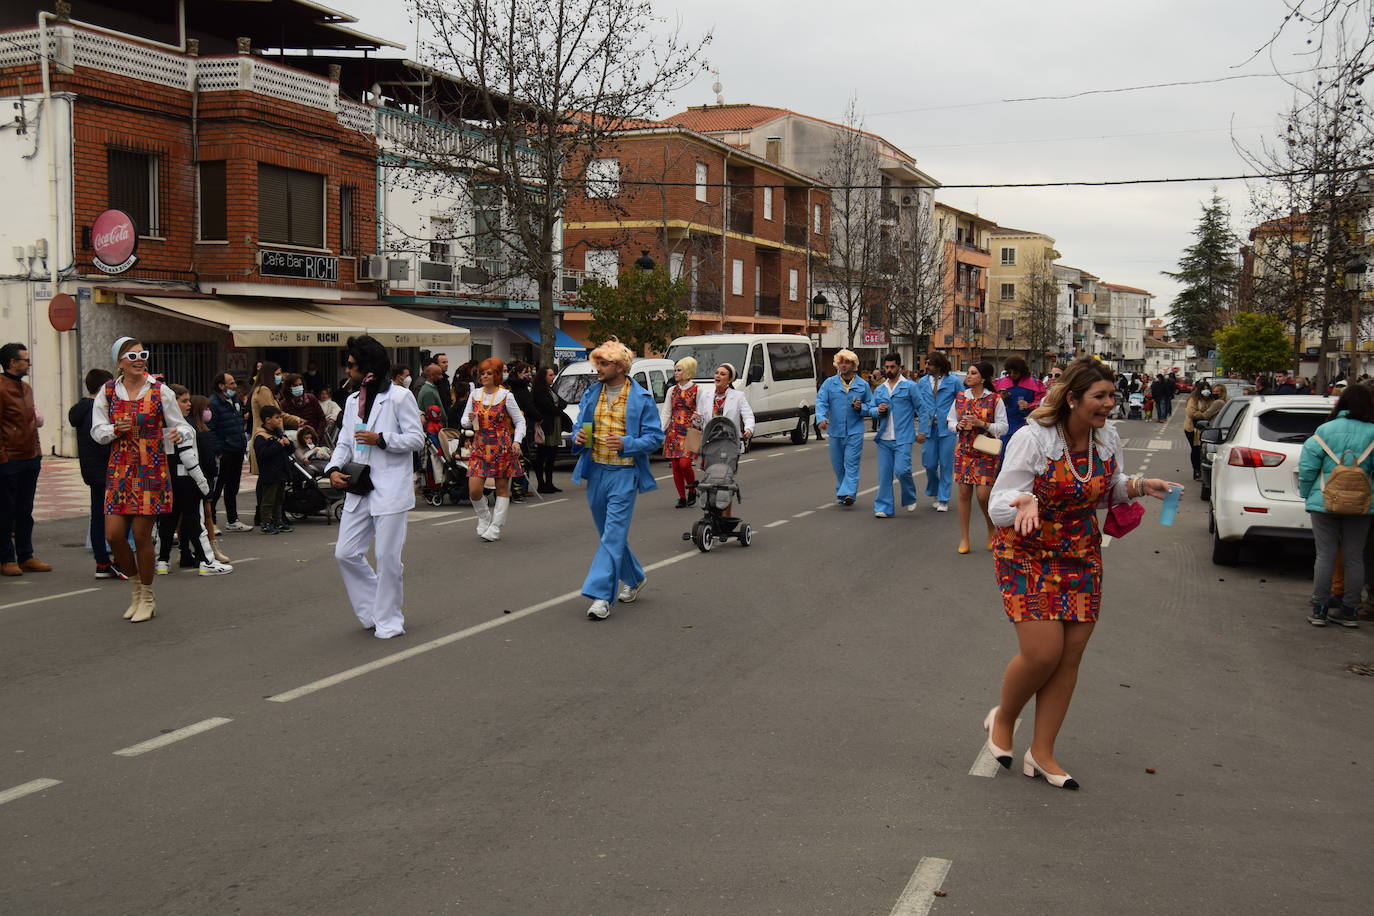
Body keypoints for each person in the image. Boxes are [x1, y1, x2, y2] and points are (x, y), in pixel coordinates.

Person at [985, 357, 1179, 789]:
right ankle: (1004, 718)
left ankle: (1042, 752)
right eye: (1100, 396)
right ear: (1072, 399)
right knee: (1043, 654)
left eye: (1112, 395)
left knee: (1069, 657)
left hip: (1080, 552)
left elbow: (1105, 488)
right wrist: (1024, 501)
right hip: (1027, 552)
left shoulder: (1106, 437)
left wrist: (1140, 486)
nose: (1109, 404)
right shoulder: (1033, 439)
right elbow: (999, 505)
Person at [324, 336, 424, 638]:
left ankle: (389, 619)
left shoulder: (400, 397)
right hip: (359, 485)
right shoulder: (352, 401)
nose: (347, 370)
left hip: (390, 488)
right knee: (345, 553)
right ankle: (373, 609)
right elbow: (344, 442)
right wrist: (333, 469)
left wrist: (381, 439)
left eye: (352, 365)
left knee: (387, 557)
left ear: (368, 367)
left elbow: (416, 439)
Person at [91, 337, 195, 622]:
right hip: (119, 468)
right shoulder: (108, 391)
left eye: (143, 355)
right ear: (120, 362)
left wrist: (178, 434)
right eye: (132, 356)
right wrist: (115, 428)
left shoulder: (160, 391)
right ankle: (136, 589)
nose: (139, 361)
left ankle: (147, 596)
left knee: (140, 535)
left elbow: (184, 427)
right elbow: (97, 431)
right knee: (113, 535)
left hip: (151, 467)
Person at [570, 339, 663, 620]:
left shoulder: (641, 398)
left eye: (604, 363)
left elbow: (655, 438)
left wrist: (626, 443)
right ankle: (634, 577)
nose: (597, 368)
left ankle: (600, 596)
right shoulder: (591, 393)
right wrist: (578, 437)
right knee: (610, 536)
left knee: (612, 536)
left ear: (620, 367)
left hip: (624, 473)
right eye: (597, 363)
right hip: (596, 471)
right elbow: (579, 427)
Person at [1298, 383, 1374, 628]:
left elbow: (1308, 467)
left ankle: (1319, 609)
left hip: (1324, 501)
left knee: (1325, 555)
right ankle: (1350, 611)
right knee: (1354, 557)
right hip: (1361, 504)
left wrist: (1306, 494)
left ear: (1341, 403)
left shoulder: (1325, 430)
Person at [155, 385, 228, 575]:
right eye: (184, 401)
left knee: (168, 520)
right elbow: (189, 458)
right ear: (172, 402)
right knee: (194, 519)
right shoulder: (184, 427)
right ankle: (206, 561)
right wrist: (203, 484)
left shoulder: (160, 425)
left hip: (167, 479)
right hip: (187, 480)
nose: (189, 404)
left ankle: (162, 561)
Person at [461, 357, 526, 541]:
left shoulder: (506, 395)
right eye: (482, 373)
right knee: (474, 490)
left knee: (502, 487)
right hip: (480, 447)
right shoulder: (475, 395)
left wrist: (517, 441)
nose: (484, 376)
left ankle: (496, 527)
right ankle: (484, 516)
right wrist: (469, 420)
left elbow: (520, 421)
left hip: (501, 447)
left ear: (496, 375)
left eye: (489, 373)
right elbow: (464, 421)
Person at [69, 367, 124, 579]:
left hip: (92, 471)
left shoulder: (81, 410)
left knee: (98, 516)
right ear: (103, 388)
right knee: (119, 515)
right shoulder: (98, 410)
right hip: (108, 469)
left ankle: (102, 562)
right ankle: (117, 560)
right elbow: (103, 441)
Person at [0, 341, 49, 576]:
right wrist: (3, 456)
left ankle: (26, 555)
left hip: (31, 457)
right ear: (12, 362)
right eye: (25, 360)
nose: (29, 363)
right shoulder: (1, 387)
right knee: (6, 511)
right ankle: (6, 558)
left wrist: (37, 452)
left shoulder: (26, 388)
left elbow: (30, 422)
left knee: (25, 510)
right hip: (9, 459)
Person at [952, 361, 1009, 554]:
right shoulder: (960, 397)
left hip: (985, 451)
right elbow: (950, 420)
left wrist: (982, 424)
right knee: (963, 494)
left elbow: (1003, 427)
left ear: (983, 378)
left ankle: (991, 526)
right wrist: (957, 426)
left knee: (983, 496)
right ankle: (964, 538)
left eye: (973, 373)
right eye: (968, 373)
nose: (968, 376)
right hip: (964, 450)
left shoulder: (994, 399)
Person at [693, 362, 754, 518]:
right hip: (710, 444)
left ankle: (726, 516)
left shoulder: (738, 396)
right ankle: (711, 514)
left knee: (725, 481)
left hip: (729, 445)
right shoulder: (706, 395)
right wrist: (696, 419)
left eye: (722, 374)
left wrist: (748, 429)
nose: (718, 376)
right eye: (716, 373)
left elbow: (748, 415)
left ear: (729, 379)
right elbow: (699, 419)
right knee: (710, 478)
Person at [865, 352, 921, 517]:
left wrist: (923, 431)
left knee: (902, 470)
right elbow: (870, 409)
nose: (889, 370)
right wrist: (877, 410)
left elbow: (922, 408)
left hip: (903, 437)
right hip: (884, 439)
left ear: (900, 367)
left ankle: (910, 496)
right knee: (884, 475)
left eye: (892, 367)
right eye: (887, 367)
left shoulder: (910, 386)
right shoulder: (880, 389)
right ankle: (883, 507)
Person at [814, 349, 871, 506]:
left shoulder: (863, 385)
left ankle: (849, 493)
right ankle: (842, 492)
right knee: (838, 466)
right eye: (841, 362)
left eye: (847, 362)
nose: (843, 365)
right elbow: (821, 402)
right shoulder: (829, 383)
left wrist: (861, 408)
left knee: (851, 464)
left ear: (854, 365)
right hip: (835, 432)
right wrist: (821, 418)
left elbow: (871, 405)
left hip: (855, 431)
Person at [916, 352, 962, 512]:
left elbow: (962, 401)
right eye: (926, 363)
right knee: (929, 464)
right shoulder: (922, 382)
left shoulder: (953, 381)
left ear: (939, 366)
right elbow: (917, 403)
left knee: (945, 464)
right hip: (928, 428)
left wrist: (957, 419)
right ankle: (935, 491)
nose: (926, 366)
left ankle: (943, 498)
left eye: (930, 364)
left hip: (947, 428)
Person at [189, 393, 231, 565]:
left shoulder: (202, 429)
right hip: (203, 477)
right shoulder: (199, 432)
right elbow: (207, 459)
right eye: (206, 408)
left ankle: (187, 550)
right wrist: (212, 473)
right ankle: (212, 550)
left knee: (195, 515)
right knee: (205, 515)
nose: (209, 412)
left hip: (199, 476)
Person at [208, 371, 251, 532]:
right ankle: (211, 522)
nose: (234, 386)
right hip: (224, 452)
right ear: (221, 386)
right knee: (217, 488)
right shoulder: (213, 403)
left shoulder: (235, 400)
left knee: (233, 487)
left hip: (237, 449)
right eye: (231, 383)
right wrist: (219, 451)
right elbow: (210, 429)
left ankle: (233, 520)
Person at [663, 356, 700, 508]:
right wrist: (660, 430)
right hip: (674, 431)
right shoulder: (672, 390)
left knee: (685, 464)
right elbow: (666, 412)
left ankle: (692, 488)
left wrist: (699, 420)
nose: (676, 373)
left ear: (688, 371)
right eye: (675, 370)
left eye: (679, 370)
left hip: (692, 431)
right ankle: (682, 497)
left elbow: (702, 410)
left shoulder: (698, 390)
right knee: (676, 466)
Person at [253, 405, 294, 535]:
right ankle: (266, 523)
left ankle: (278, 521)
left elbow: (290, 451)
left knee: (279, 499)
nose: (280, 420)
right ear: (267, 420)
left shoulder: (279, 432)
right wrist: (278, 445)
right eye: (277, 417)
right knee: (268, 500)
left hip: (281, 471)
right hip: (269, 473)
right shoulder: (261, 436)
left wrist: (289, 444)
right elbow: (262, 454)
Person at [506, 361, 540, 502]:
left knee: (521, 459)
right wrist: (539, 417)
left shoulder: (516, 387)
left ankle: (521, 489)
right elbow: (528, 407)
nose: (529, 375)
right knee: (522, 460)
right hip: (520, 428)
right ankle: (518, 491)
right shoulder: (520, 389)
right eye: (526, 372)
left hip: (519, 427)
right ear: (518, 373)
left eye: (530, 371)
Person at [995, 356, 1045, 450]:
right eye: (1009, 372)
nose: (1012, 375)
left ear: (1022, 371)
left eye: (1015, 372)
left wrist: (1029, 405)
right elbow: (992, 402)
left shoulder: (1036, 384)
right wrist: (1000, 398)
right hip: (1005, 425)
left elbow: (1042, 404)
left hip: (1026, 425)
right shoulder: (999, 383)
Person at [1183, 383, 1226, 481]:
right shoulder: (1193, 399)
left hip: (1205, 428)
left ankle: (1202, 470)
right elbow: (1191, 413)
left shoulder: (1212, 400)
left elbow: (1212, 411)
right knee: (1195, 449)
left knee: (1202, 450)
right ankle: (1196, 471)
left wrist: (1204, 414)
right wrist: (1203, 414)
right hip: (1192, 428)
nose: (1206, 391)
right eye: (1203, 389)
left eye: (1208, 389)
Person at [531, 365, 563, 494]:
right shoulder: (539, 390)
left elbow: (561, 402)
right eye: (550, 375)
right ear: (543, 377)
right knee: (543, 454)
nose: (553, 377)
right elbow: (547, 406)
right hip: (546, 425)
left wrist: (558, 408)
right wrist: (558, 410)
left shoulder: (549, 389)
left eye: (553, 374)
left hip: (554, 423)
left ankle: (549, 483)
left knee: (551, 455)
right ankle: (541, 484)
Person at [279, 372, 327, 441]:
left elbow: (322, 419)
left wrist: (317, 436)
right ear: (289, 388)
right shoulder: (284, 404)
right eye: (295, 385)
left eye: (300, 384)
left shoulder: (311, 399)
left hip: (313, 438)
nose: (298, 387)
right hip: (295, 439)